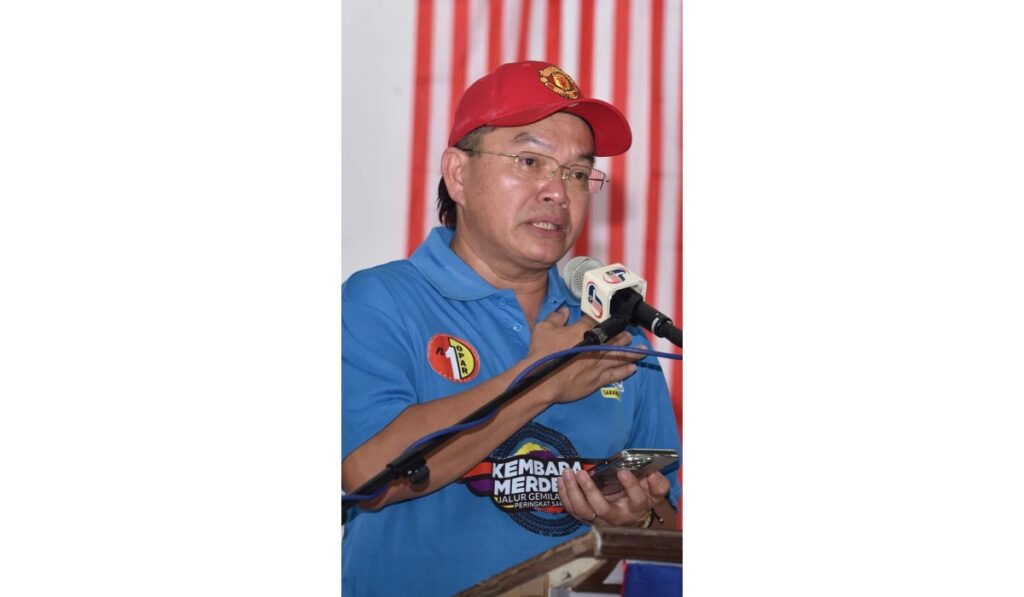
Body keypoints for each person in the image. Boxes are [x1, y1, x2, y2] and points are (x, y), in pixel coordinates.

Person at [342, 60, 680, 596]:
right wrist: (543, 380)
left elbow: (670, 531)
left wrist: (635, 518)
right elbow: (365, 476)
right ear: (458, 174)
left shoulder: (616, 332)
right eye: (530, 161)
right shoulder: (381, 301)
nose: (558, 192)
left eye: (577, 173)